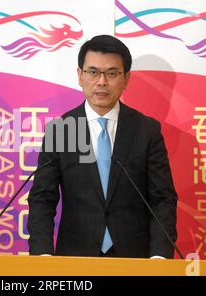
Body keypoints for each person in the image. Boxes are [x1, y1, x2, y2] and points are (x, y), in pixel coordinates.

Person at [27, 35, 178, 258]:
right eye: (93, 72)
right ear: (80, 75)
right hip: (75, 259)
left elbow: (162, 199)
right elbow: (42, 198)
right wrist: (42, 256)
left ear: (126, 78)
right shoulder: (62, 130)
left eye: (112, 73)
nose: (102, 82)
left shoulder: (146, 131)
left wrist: (159, 257)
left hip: (135, 260)